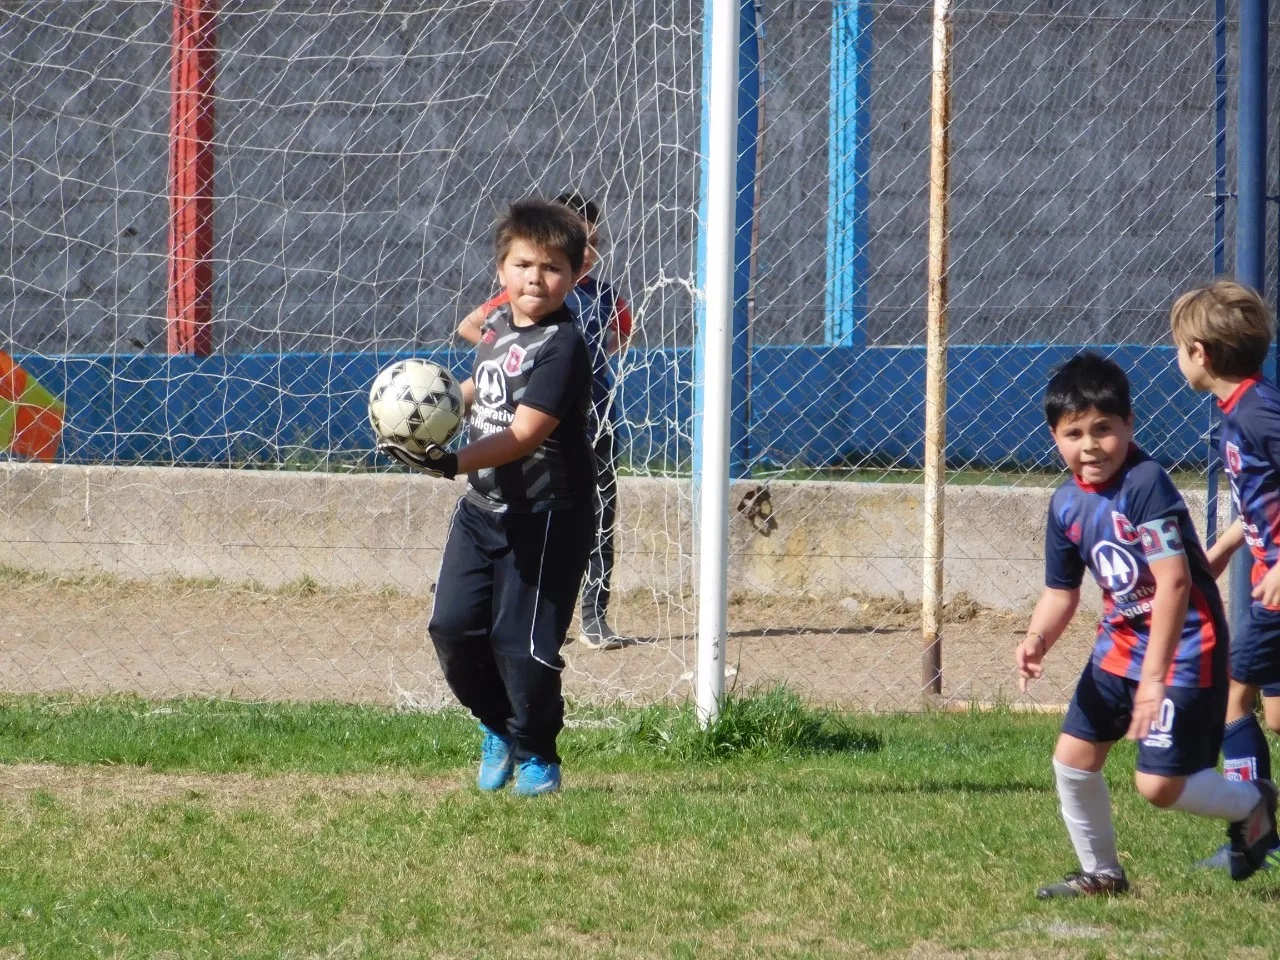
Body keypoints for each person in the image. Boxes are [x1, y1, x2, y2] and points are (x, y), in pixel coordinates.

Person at [1015, 351, 1276, 897]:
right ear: (1055, 438)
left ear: (1129, 426)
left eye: (1104, 429)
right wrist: (1037, 638)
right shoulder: (1065, 505)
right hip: (1119, 647)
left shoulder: (1145, 482)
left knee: (1158, 785)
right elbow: (1061, 593)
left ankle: (1253, 804)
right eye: (1074, 433)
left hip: (1183, 646)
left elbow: (1175, 583)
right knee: (1073, 760)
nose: (1090, 446)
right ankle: (1102, 874)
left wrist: (1155, 679)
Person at [380, 198, 596, 796]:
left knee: (521, 645)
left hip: (548, 516)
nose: (536, 278)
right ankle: (498, 727)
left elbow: (525, 435)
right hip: (481, 511)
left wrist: (448, 461)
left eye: (552, 268)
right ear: (501, 271)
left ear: (575, 276)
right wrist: (440, 408)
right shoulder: (499, 326)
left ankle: (538, 756)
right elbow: (485, 371)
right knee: (451, 628)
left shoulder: (564, 346)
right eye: (523, 264)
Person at [458, 192, 633, 651]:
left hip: (595, 422)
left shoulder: (605, 297)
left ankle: (594, 616)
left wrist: (575, 371)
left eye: (594, 240)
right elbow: (472, 325)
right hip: (525, 428)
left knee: (599, 518)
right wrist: (521, 362)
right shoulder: (528, 292)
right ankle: (504, 605)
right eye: (581, 237)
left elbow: (619, 337)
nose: (589, 247)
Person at [1171, 279, 1280, 869]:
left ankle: (1252, 838)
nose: (1176, 359)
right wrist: (1227, 546)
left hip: (1277, 588)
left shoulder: (1260, 411)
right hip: (1265, 575)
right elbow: (1264, 494)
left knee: (1233, 700)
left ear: (1201, 354)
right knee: (1276, 715)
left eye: (1177, 347)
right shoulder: (1242, 409)